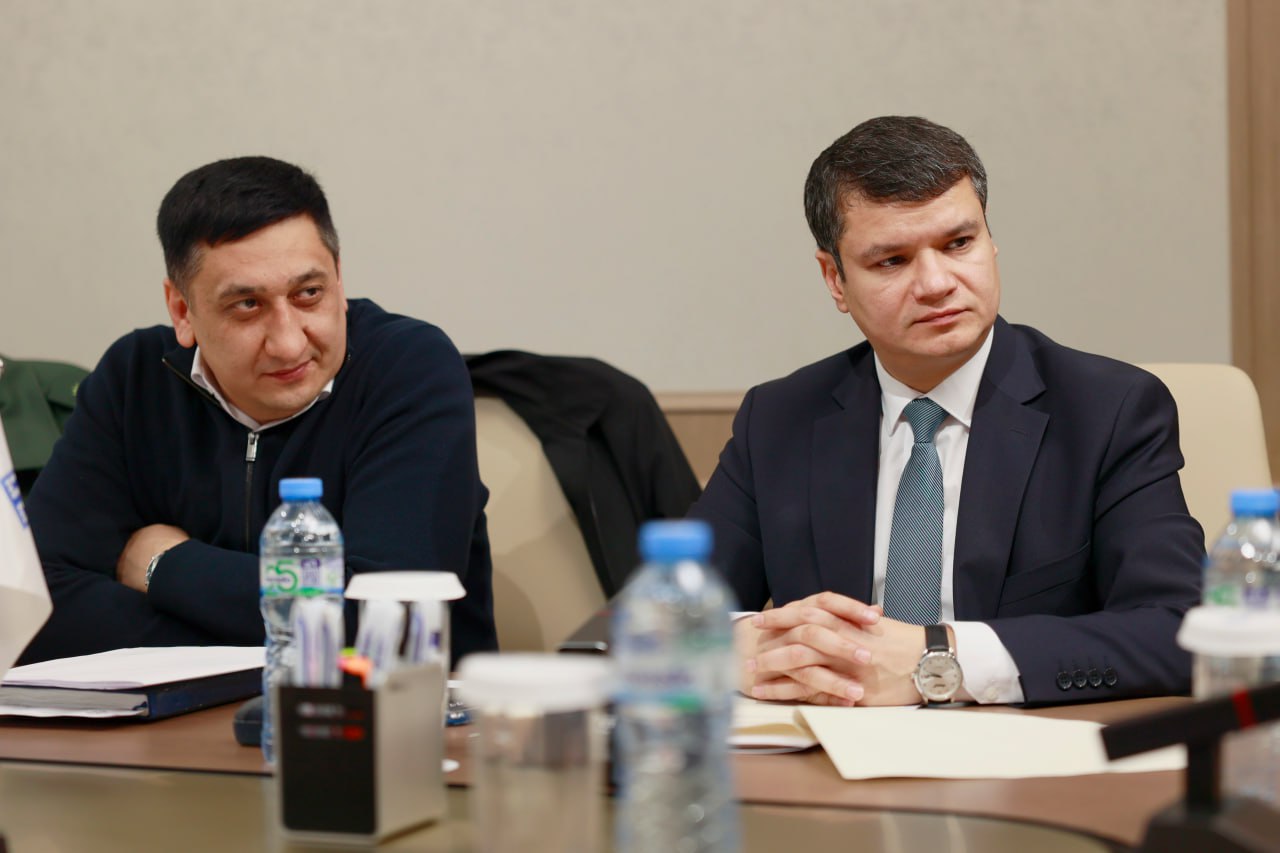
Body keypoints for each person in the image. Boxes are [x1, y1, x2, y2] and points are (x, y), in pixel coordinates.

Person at [689, 116, 1203, 706]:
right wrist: (729, 649)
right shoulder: (779, 419)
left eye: (959, 244)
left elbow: (1178, 631)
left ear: (990, 240)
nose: (936, 283)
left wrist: (940, 658)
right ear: (835, 279)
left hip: (1026, 748)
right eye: (892, 260)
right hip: (831, 747)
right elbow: (659, 617)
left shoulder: (1109, 410)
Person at [19, 156, 497, 664]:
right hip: (176, 715)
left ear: (339, 279)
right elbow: (34, 606)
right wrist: (274, 645)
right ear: (182, 311)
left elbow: (386, 621)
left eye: (309, 294)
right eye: (247, 305)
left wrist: (166, 566)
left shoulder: (408, 367)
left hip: (391, 710)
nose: (289, 344)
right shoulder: (134, 378)